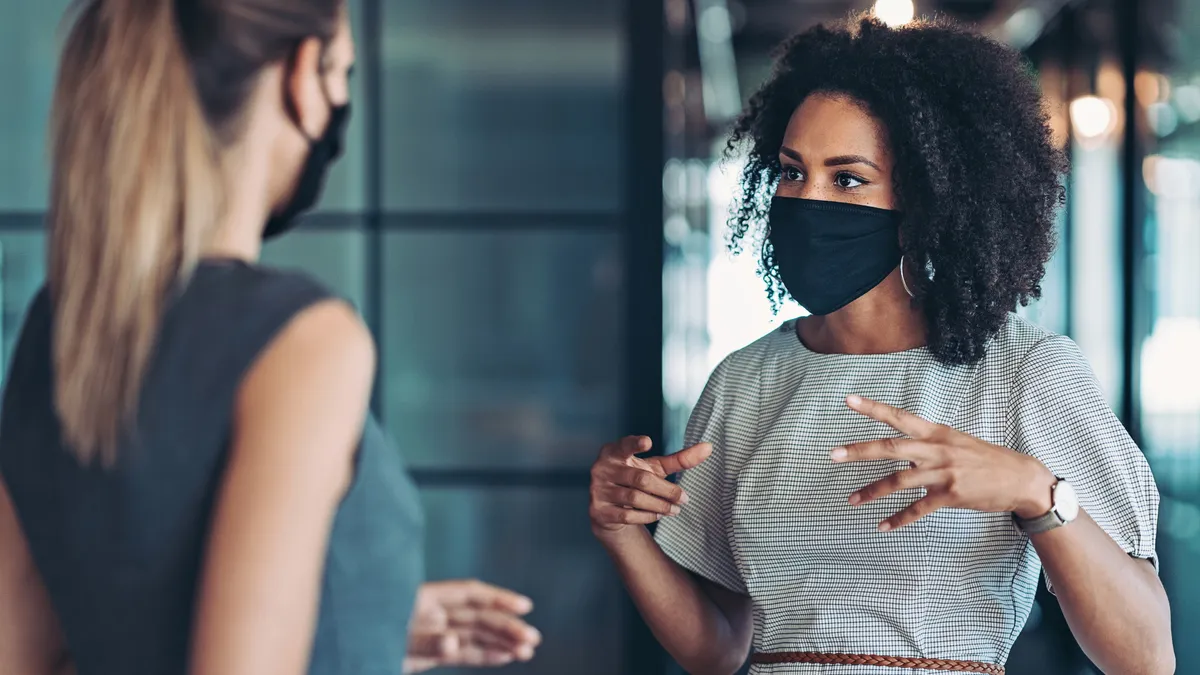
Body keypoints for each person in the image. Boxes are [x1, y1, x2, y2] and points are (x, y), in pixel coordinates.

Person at [589, 15, 1173, 675]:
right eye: (790, 171)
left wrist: (1035, 489)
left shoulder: (1023, 372)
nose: (808, 198)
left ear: (928, 198)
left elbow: (1146, 656)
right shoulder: (745, 380)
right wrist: (620, 530)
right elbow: (717, 647)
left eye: (847, 178)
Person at [0, 1, 540, 674]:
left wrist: (357, 617)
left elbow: (34, 653)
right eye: (339, 70)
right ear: (302, 78)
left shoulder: (56, 327)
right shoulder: (304, 341)